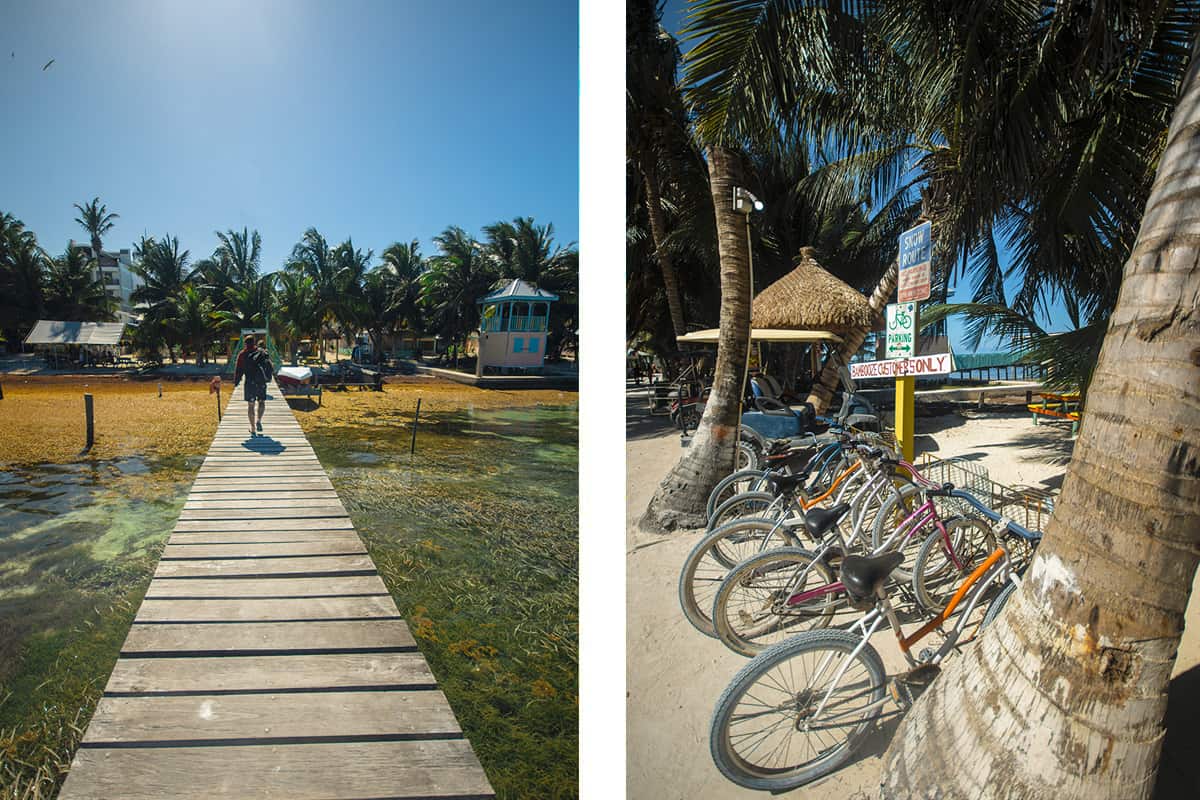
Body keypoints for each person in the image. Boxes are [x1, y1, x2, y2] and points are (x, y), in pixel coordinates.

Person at [234, 335, 273, 436]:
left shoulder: (242, 354)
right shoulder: (262, 352)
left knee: (251, 405)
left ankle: (252, 428)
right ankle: (259, 420)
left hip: (250, 382)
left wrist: (236, 382)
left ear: (245, 343)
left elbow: (239, 370)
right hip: (261, 382)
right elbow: (270, 366)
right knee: (261, 401)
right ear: (254, 342)